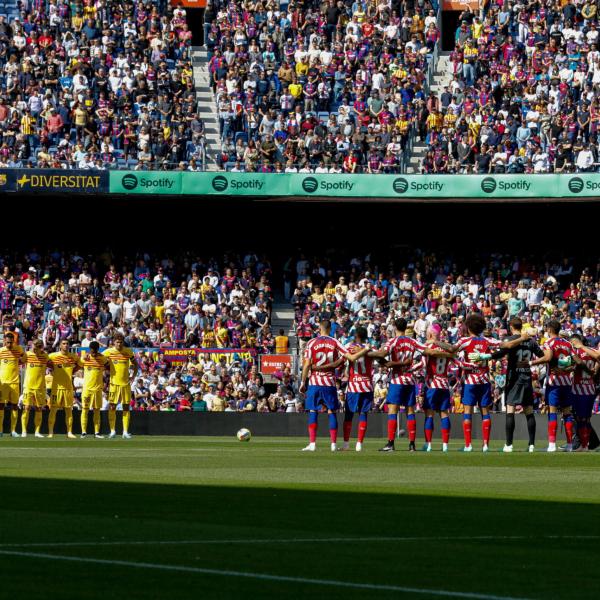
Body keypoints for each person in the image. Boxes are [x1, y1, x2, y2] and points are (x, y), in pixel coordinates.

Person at [445, 314, 529, 452]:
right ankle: (485, 445)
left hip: (471, 381)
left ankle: (468, 445)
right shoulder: (487, 340)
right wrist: (522, 338)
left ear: (468, 327)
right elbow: (507, 345)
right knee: (485, 412)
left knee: (467, 412)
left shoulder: (465, 341)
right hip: (484, 381)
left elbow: (451, 349)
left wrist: (436, 343)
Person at [370, 318, 448, 452]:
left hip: (397, 380)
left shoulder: (392, 342)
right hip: (410, 380)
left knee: (393, 410)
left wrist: (371, 354)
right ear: (406, 327)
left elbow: (382, 353)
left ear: (395, 327)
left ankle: (390, 444)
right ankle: (412, 444)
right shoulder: (413, 342)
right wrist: (449, 354)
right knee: (410, 411)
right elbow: (430, 352)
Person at [299, 319, 367, 452]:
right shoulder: (335, 342)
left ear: (319, 328)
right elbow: (348, 357)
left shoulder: (312, 342)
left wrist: (303, 382)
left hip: (314, 382)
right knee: (332, 411)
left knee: (313, 410)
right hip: (329, 382)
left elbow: (307, 364)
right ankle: (333, 444)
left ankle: (312, 444)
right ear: (330, 329)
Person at [490, 318, 543, 453]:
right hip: (526, 378)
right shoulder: (531, 341)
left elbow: (499, 353)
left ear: (511, 326)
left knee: (510, 410)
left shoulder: (510, 340)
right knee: (529, 411)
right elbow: (541, 355)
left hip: (514, 379)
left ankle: (509, 444)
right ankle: (531, 445)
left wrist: (486, 356)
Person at [530, 320, 575, 452]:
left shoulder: (549, 342)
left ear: (549, 330)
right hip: (567, 382)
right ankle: (570, 445)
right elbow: (574, 362)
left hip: (554, 382)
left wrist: (531, 363)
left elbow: (548, 358)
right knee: (567, 413)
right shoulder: (567, 343)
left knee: (553, 411)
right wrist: (566, 370)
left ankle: (552, 445)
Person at [421, 324, 457, 452]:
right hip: (444, 384)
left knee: (429, 414)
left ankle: (428, 444)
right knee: (444, 414)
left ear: (430, 334)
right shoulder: (446, 348)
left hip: (432, 384)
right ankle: (445, 445)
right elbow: (454, 354)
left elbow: (422, 364)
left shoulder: (428, 346)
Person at [341, 326, 377, 452]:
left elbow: (344, 360)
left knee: (349, 415)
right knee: (363, 414)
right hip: (367, 385)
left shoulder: (349, 347)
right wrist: (366, 349)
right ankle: (359, 444)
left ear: (356, 336)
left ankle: (346, 444)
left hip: (354, 386)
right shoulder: (371, 349)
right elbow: (380, 356)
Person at [103, 333, 138, 439]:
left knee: (126, 407)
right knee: (112, 406)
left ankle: (125, 432)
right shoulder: (109, 352)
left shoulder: (128, 352)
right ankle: (112, 431)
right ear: (114, 342)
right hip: (114, 384)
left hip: (126, 384)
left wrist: (133, 377)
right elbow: (99, 358)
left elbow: (135, 364)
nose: (119, 344)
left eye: (121, 342)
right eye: (117, 342)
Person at [569, 335, 599, 451]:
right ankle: (584, 444)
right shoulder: (589, 351)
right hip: (585, 388)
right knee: (583, 418)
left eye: (572, 341)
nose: (571, 344)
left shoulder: (579, 351)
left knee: (582, 418)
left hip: (581, 388)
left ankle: (584, 445)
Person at [48, 339, 83, 438]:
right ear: (60, 345)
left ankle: (69, 432)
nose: (66, 345)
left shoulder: (74, 357)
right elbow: (46, 362)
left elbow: (80, 365)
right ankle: (51, 432)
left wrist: (72, 370)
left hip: (68, 388)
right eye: (63, 344)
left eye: (67, 344)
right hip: (56, 388)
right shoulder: (53, 356)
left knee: (69, 410)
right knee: (53, 410)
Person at [21, 339, 51, 438]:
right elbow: (18, 362)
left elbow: (52, 364)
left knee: (39, 409)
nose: (33, 349)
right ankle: (24, 431)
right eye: (33, 346)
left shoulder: (45, 356)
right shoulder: (27, 354)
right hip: (28, 386)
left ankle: (37, 432)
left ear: (40, 347)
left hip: (40, 387)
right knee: (26, 407)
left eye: (36, 347)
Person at [81, 341, 109, 438]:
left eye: (95, 350)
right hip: (87, 389)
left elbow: (109, 366)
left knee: (97, 410)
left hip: (97, 389)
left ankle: (97, 432)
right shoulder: (85, 358)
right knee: (85, 409)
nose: (93, 352)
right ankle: (83, 432)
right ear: (90, 349)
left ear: (98, 349)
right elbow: (77, 364)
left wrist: (106, 382)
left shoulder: (102, 358)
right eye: (92, 350)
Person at [0, 332, 25, 437]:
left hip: (15, 382)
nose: (9, 344)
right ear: (4, 341)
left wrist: (18, 362)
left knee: (14, 406)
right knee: (1, 406)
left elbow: (24, 358)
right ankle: (0, 431)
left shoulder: (18, 349)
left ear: (13, 341)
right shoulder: (1, 351)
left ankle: (13, 431)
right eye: (8, 342)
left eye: (11, 342)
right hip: (3, 383)